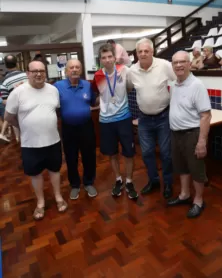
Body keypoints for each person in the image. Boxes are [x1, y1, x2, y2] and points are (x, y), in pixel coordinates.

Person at [4, 60, 67, 220]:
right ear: (27, 73)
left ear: (45, 72)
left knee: (55, 170)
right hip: (30, 144)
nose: (38, 74)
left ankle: (58, 197)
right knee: (35, 174)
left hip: (53, 141)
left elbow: (56, 111)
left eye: (41, 71)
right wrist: (23, 127)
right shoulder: (17, 93)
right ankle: (40, 203)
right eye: (34, 71)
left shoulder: (53, 90)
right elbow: (9, 117)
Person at [128, 38, 175, 199]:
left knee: (166, 153)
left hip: (163, 117)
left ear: (152, 52)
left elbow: (179, 81)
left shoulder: (164, 65)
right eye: (140, 51)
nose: (143, 54)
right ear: (136, 53)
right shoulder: (132, 71)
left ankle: (168, 182)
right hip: (144, 119)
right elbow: (128, 87)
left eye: (146, 51)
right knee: (147, 153)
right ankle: (154, 181)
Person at [168, 51, 211, 218]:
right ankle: (184, 195)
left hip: (192, 134)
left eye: (182, 62)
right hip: (176, 134)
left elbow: (206, 115)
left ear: (189, 64)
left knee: (196, 170)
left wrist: (202, 142)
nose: (178, 65)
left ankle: (199, 201)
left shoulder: (197, 85)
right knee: (182, 168)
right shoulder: (174, 84)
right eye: (175, 62)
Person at [93, 43, 138, 199]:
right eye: (103, 58)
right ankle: (118, 180)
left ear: (114, 57)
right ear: (100, 60)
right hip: (105, 121)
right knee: (112, 154)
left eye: (110, 56)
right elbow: (98, 94)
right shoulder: (98, 76)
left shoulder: (124, 71)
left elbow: (130, 88)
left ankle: (130, 181)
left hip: (124, 118)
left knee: (129, 153)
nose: (107, 60)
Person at [54, 59, 97, 200]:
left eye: (77, 67)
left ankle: (89, 182)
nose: (74, 69)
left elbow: (93, 101)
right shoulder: (58, 86)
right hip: (68, 128)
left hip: (86, 126)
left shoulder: (87, 85)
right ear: (66, 71)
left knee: (89, 156)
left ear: (81, 69)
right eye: (71, 67)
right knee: (71, 158)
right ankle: (75, 185)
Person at [0, 55, 28, 143]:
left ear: (5, 65)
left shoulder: (4, 81)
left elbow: (5, 101)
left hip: (18, 114)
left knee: (20, 138)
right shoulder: (27, 75)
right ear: (17, 63)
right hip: (34, 109)